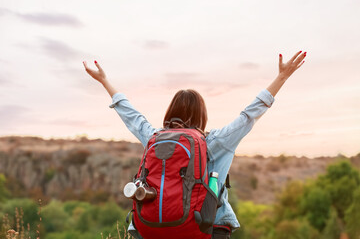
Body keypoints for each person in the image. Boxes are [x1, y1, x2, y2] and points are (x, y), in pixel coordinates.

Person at [83, 50, 307, 239]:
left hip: (153, 228)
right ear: (202, 115)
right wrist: (282, 77)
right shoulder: (215, 142)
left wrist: (105, 81)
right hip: (207, 227)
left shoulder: (155, 137)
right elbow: (249, 115)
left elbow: (132, 116)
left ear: (170, 111)